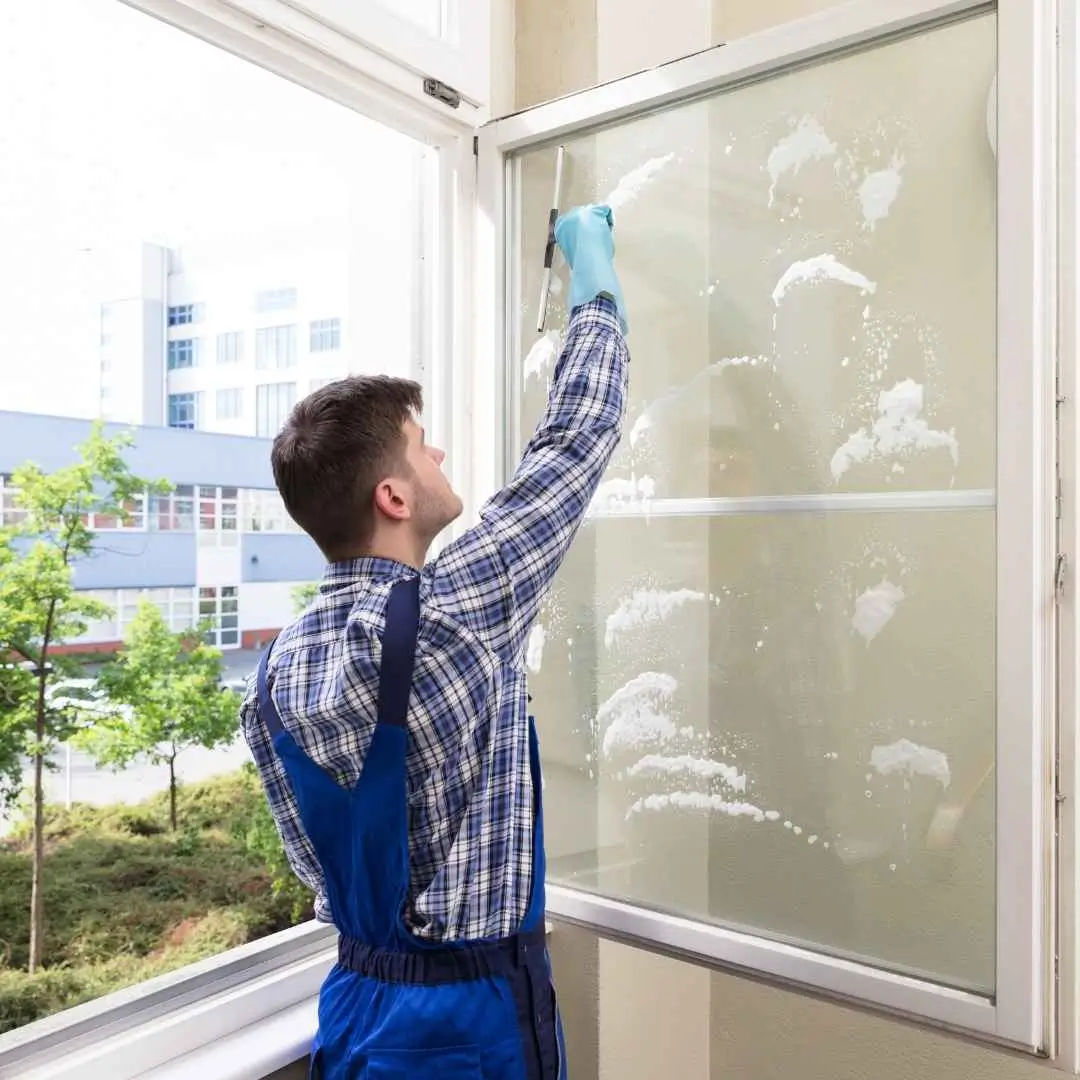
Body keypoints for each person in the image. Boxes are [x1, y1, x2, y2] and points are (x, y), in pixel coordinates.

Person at [241, 203, 629, 1079]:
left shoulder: (274, 673)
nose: (442, 453)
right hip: (469, 1019)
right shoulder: (454, 611)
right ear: (393, 496)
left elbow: (319, 863)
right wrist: (594, 273)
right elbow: (577, 439)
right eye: (424, 447)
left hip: (354, 1006)